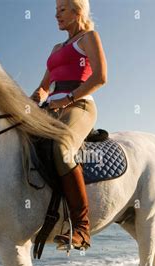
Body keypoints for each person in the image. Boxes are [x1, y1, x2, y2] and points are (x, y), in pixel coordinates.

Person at [31, 0, 107, 250]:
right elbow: (44, 86)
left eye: (62, 10)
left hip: (80, 105)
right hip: (51, 108)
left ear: (78, 12)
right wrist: (32, 98)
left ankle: (82, 228)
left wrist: (69, 98)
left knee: (61, 150)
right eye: (55, 11)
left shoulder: (88, 38)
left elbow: (100, 77)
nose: (56, 15)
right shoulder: (55, 48)